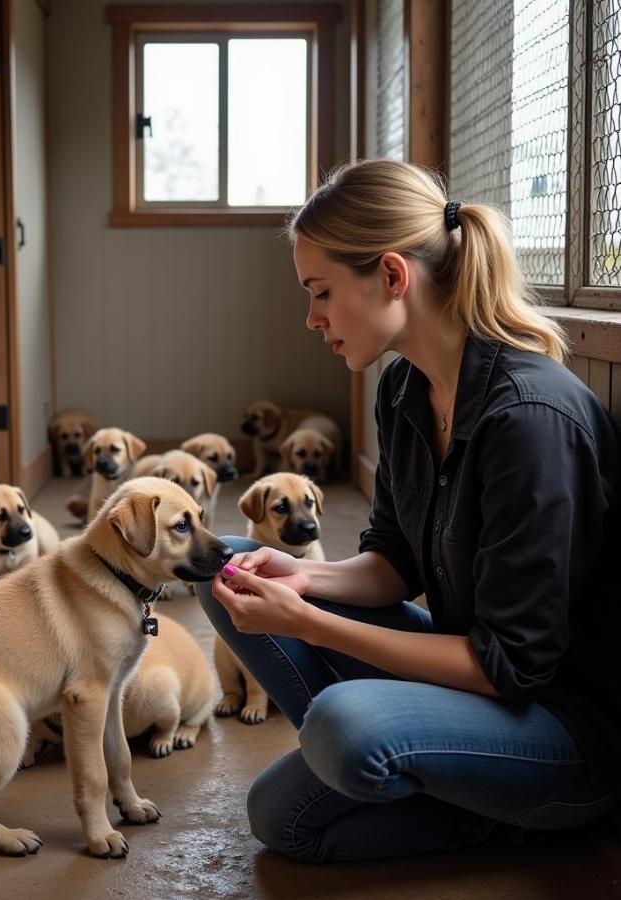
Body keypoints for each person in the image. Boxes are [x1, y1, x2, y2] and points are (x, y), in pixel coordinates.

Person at [195, 159, 621, 863]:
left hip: (559, 730)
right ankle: (430, 769)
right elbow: (393, 561)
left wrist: (305, 619)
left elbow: (507, 667)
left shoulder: (529, 420)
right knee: (234, 568)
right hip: (479, 689)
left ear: (392, 276)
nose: (313, 319)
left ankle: (479, 799)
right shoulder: (404, 390)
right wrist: (303, 581)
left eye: (322, 292)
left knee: (340, 729)